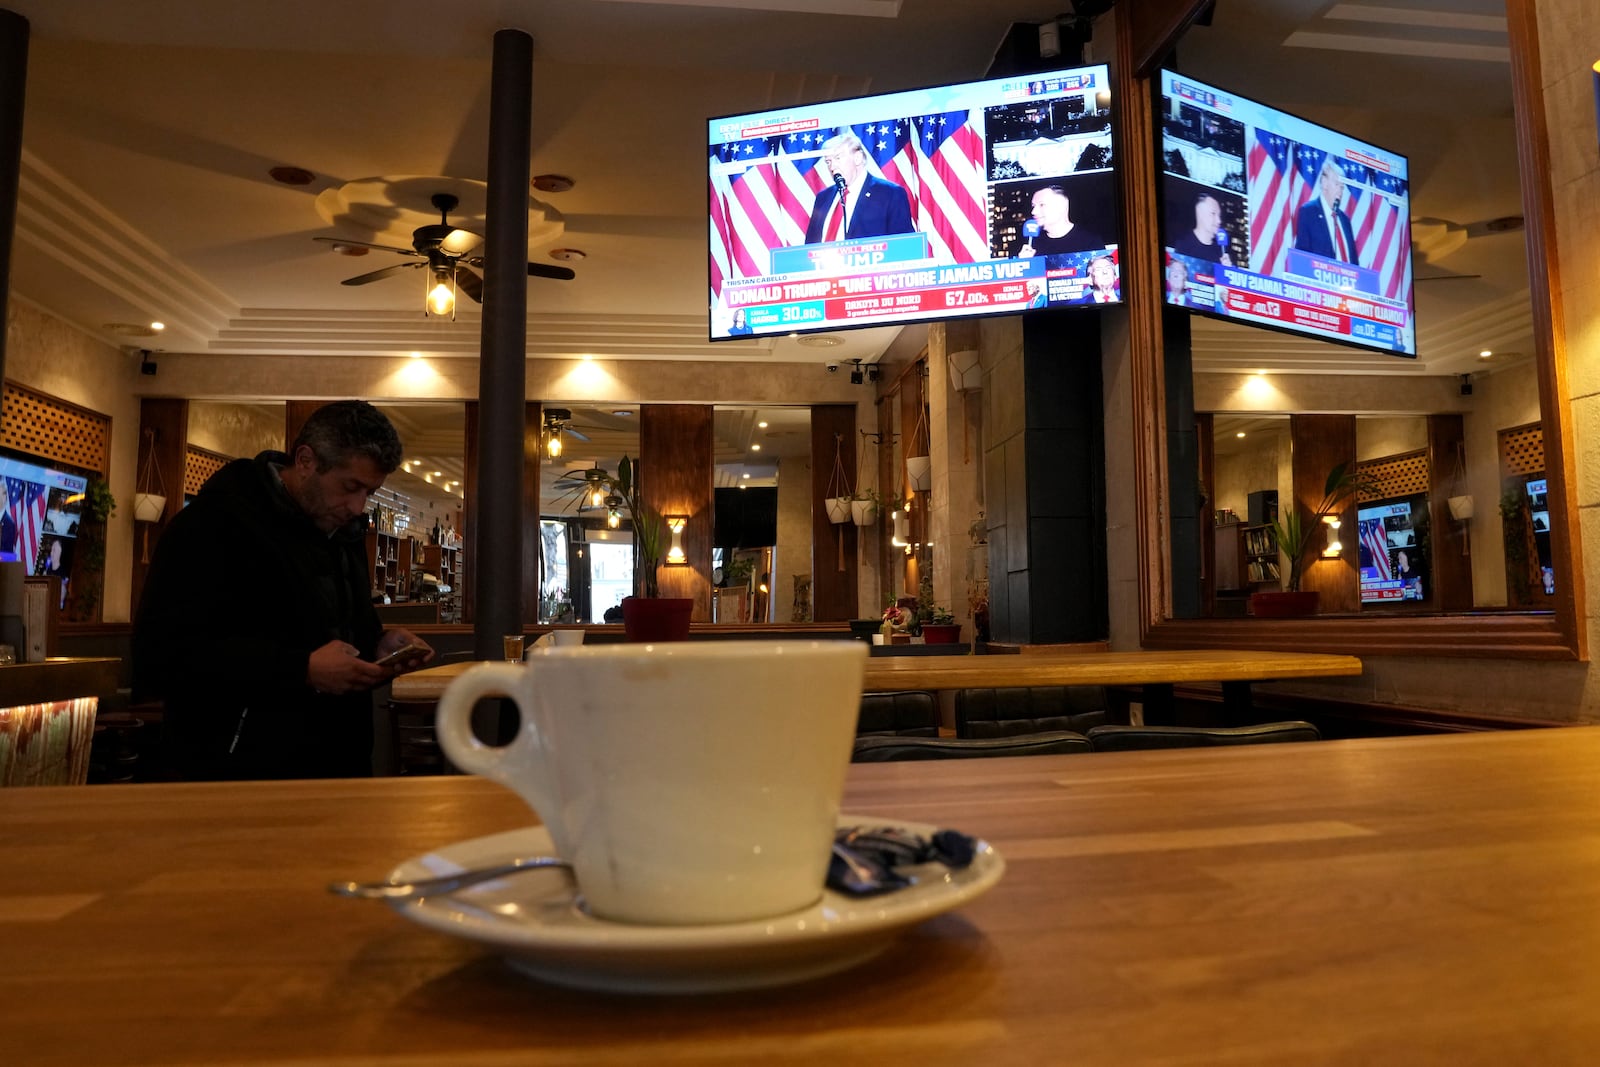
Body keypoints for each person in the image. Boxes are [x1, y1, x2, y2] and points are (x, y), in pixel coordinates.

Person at [133, 400, 435, 781]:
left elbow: (345, 628)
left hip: (341, 767)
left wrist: (381, 644)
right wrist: (301, 670)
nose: (358, 507)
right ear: (306, 460)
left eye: (369, 492)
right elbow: (159, 655)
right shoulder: (211, 525)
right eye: (351, 487)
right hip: (236, 776)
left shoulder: (345, 531)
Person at [803, 132, 915, 244]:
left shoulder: (890, 194)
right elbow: (809, 247)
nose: (832, 167)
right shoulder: (823, 198)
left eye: (838, 158)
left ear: (858, 158)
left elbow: (904, 245)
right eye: (828, 161)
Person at [1294, 158, 1359, 264]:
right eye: (1337, 185)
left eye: (1342, 187)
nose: (1340, 191)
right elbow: (1302, 256)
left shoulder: (1345, 220)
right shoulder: (1309, 212)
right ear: (1324, 183)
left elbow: (1354, 262)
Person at [1013, 184, 1106, 257]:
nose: (1034, 211)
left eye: (1042, 205)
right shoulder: (1029, 245)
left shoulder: (1090, 241)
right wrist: (1024, 264)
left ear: (1061, 206)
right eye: (1033, 206)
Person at [1171, 193, 1234, 266]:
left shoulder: (1222, 251)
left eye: (1219, 215)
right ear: (1200, 213)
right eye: (1213, 214)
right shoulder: (1183, 244)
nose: (1219, 221)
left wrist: (1227, 270)